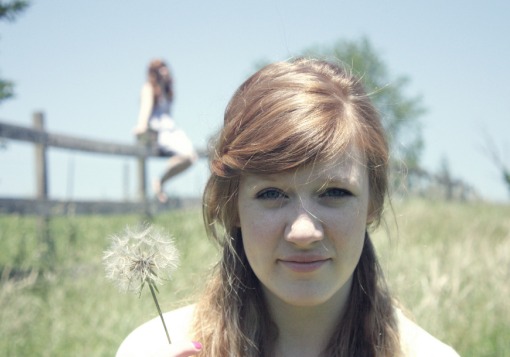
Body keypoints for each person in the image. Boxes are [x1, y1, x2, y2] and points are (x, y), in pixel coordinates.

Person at [118, 58, 460, 356]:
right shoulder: (150, 349)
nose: (303, 231)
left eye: (335, 192)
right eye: (271, 194)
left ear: (373, 203)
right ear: (232, 206)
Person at [134, 59, 197, 203]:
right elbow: (146, 108)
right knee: (187, 155)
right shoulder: (149, 87)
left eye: (165, 67)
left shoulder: (167, 91)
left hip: (173, 129)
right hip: (160, 131)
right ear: (154, 72)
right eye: (160, 68)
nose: (164, 70)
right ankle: (159, 182)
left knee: (192, 157)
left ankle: (160, 181)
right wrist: (142, 125)